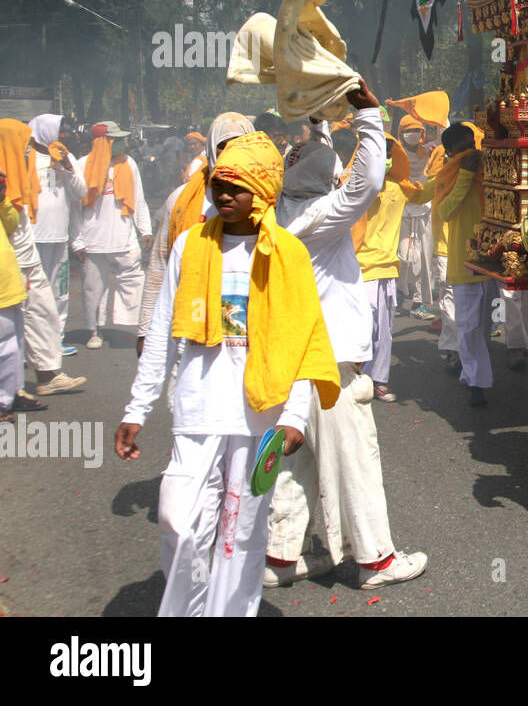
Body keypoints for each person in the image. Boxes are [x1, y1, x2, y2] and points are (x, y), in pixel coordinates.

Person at [116, 131, 340, 617]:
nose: (223, 196)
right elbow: (162, 332)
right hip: (196, 408)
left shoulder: (289, 255)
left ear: (261, 193)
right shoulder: (189, 247)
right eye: (219, 185)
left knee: (242, 532)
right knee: (178, 520)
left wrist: (296, 416)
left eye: (236, 188)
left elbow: (303, 342)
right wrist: (138, 405)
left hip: (261, 416)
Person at [266, 78, 427, 589]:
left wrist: (316, 119)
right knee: (356, 456)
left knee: (300, 456)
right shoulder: (321, 215)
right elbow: (367, 180)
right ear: (326, 183)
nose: (341, 181)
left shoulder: (283, 211)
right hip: (329, 359)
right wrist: (366, 114)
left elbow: (326, 167)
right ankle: (375, 559)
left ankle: (281, 558)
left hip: (296, 355)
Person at [138, 113, 255, 356]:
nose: (230, 153)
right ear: (212, 149)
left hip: (248, 329)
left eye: (239, 145)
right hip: (191, 325)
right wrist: (145, 330)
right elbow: (160, 264)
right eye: (223, 146)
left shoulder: (270, 198)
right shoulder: (181, 199)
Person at [0, 119, 86, 397]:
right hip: (15, 262)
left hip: (28, 257)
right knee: (16, 328)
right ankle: (18, 387)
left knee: (42, 315)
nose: (28, 149)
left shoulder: (20, 170)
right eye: (23, 144)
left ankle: (44, 376)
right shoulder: (5, 177)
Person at [354, 132, 438, 402]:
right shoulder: (352, 184)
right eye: (379, 153)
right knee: (360, 328)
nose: (385, 159)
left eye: (388, 154)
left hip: (387, 269)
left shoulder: (399, 187)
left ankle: (378, 380)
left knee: (384, 331)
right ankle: (355, 380)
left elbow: (424, 193)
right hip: (355, 269)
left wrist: (443, 169)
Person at [73, 121, 151, 349]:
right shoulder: (81, 165)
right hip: (93, 241)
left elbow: (139, 200)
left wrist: (145, 230)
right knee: (93, 289)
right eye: (116, 140)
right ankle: (93, 330)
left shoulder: (129, 164)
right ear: (102, 142)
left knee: (134, 281)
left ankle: (134, 325)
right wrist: (77, 241)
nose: (122, 144)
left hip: (124, 238)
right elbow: (74, 208)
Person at [436, 122, 491, 406]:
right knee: (468, 326)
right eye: (462, 150)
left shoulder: (489, 168)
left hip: (495, 255)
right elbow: (446, 211)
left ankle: (478, 372)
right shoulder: (448, 175)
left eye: (472, 147)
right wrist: (466, 173)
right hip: (464, 259)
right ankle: (474, 381)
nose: (470, 153)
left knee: (490, 324)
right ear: (449, 153)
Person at [29, 114, 86, 353]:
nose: (64, 135)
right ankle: (27, 346)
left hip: (59, 236)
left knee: (59, 292)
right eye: (59, 131)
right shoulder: (26, 157)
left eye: (65, 131)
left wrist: (69, 168)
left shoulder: (66, 157)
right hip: (32, 237)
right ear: (43, 131)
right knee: (31, 293)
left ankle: (55, 340)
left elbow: (80, 193)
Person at [0, 172, 36, 421]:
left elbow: (12, 224)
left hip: (9, 285)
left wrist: (3, 201)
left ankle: (8, 397)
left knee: (12, 346)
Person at [396, 115, 438, 321]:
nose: (412, 134)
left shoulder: (428, 153)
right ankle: (397, 296)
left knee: (424, 257)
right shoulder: (396, 154)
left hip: (424, 210)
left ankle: (419, 302)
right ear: (401, 133)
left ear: (422, 134)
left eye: (417, 131)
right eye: (408, 130)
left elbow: (442, 137)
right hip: (401, 211)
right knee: (401, 256)